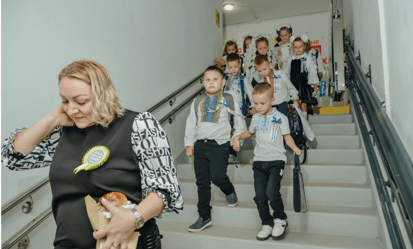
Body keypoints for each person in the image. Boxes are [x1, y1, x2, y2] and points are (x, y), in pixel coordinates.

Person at [1, 60, 183, 249]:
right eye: (65, 101)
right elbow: (12, 158)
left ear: (103, 95)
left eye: (81, 101)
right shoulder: (64, 132)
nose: (71, 110)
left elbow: (166, 190)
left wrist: (133, 218)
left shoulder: (138, 125)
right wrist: (52, 118)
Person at [231, 82, 301, 241]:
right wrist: (238, 136)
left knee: (271, 192)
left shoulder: (281, 117)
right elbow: (250, 132)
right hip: (259, 162)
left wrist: (294, 147)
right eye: (256, 103)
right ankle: (266, 223)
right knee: (260, 196)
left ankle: (280, 219)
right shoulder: (255, 118)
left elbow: (287, 137)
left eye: (262, 103)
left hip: (276, 160)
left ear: (272, 100)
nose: (259, 106)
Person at [184, 66, 246, 233]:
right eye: (208, 79)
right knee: (202, 182)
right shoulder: (197, 101)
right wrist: (189, 143)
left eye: (215, 79)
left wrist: (237, 137)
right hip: (200, 145)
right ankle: (204, 216)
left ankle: (229, 190)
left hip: (220, 144)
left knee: (218, 176)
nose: (211, 82)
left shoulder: (229, 98)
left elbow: (239, 121)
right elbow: (191, 123)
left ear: (223, 82)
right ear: (203, 82)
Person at [289, 35, 320, 119]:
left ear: (304, 47)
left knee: (303, 105)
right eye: (296, 47)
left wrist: (315, 85)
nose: (298, 49)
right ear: (293, 48)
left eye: (300, 46)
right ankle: (298, 123)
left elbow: (312, 72)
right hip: (294, 85)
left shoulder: (307, 58)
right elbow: (287, 72)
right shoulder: (291, 59)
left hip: (304, 85)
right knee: (295, 105)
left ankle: (305, 124)